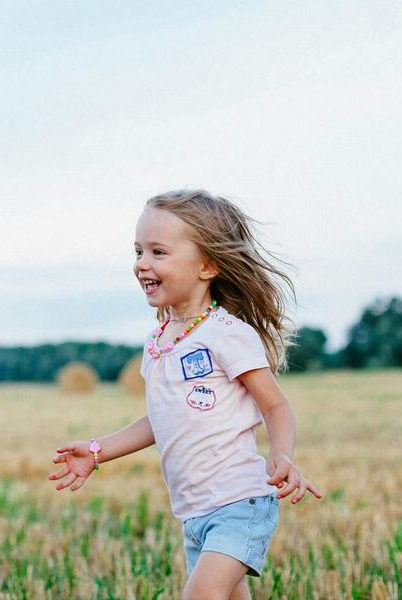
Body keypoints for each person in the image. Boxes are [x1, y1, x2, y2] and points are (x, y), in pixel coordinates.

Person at [47, 188, 323, 600]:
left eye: (159, 252)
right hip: (194, 513)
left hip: (239, 503)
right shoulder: (158, 341)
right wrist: (98, 449)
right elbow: (160, 418)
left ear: (207, 265)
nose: (142, 264)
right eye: (138, 251)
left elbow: (275, 404)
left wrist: (281, 455)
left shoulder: (227, 335)